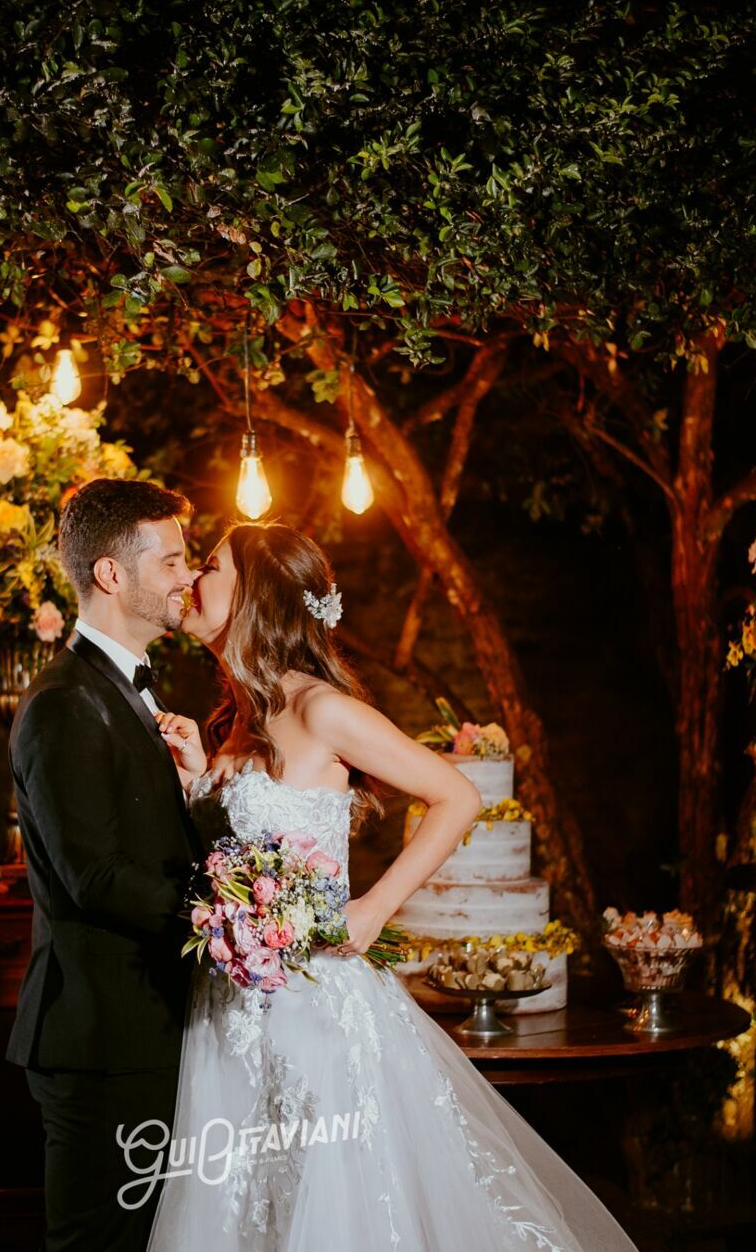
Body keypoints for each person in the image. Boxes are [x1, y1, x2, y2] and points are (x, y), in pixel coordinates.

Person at [143, 522, 639, 1251]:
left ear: (256, 594)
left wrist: (376, 905)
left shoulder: (321, 707)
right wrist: (196, 776)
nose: (191, 578)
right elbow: (245, 857)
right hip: (233, 1009)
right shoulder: (248, 716)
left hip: (314, 1007)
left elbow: (457, 794)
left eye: (209, 565)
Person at [6, 478, 204, 1251]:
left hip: (143, 1029)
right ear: (113, 575)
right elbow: (94, 874)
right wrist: (227, 922)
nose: (188, 576)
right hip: (100, 1040)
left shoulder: (128, 692)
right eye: (174, 560)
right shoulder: (62, 703)